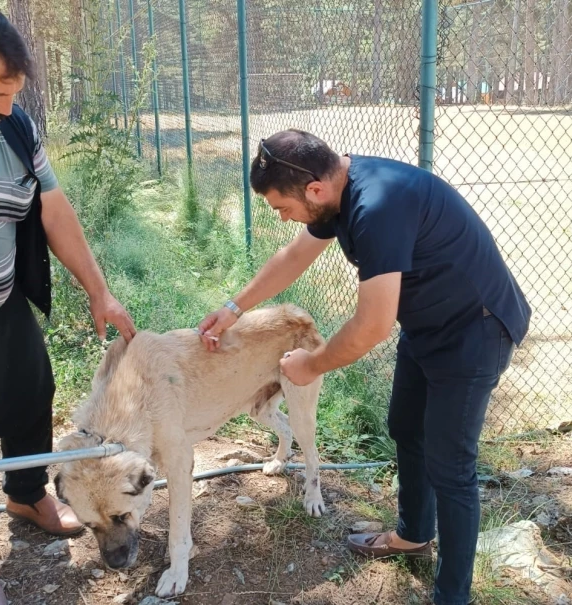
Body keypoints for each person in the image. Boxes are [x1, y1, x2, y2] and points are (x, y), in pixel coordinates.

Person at [197, 129, 531, 605]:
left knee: (451, 466)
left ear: (314, 189)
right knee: (405, 427)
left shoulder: (376, 206)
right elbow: (294, 257)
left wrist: (311, 363)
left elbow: (372, 325)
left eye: (282, 208)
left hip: (475, 330)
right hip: (429, 325)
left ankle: (451, 596)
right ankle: (414, 535)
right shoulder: (337, 191)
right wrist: (234, 307)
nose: (284, 217)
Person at [0, 6, 135, 604]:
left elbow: (52, 207)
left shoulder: (14, 126)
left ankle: (26, 494)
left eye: (14, 92)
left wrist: (99, 289)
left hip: (1, 308)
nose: (7, 105)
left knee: (29, 401)